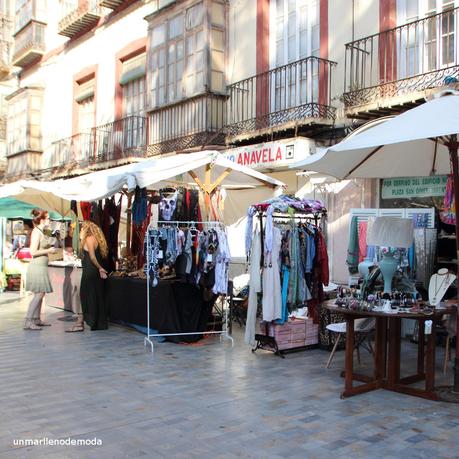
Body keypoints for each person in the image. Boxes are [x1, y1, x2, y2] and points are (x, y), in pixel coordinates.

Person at [67, 221, 108, 332]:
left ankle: (81, 322)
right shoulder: (97, 239)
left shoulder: (89, 239)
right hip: (93, 271)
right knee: (95, 296)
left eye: (81, 229)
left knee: (86, 296)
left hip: (90, 271)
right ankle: (93, 322)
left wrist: (100, 268)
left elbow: (92, 257)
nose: (80, 231)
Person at [24, 209, 57, 330]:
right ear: (42, 220)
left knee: (41, 293)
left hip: (41, 266)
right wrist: (49, 250)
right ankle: (28, 321)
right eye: (48, 218)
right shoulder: (36, 232)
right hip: (37, 266)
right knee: (39, 294)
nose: (50, 220)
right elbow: (32, 252)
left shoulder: (42, 231)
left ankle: (36, 319)